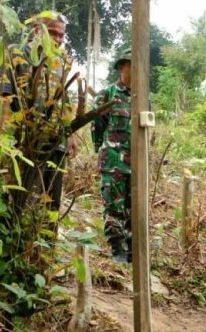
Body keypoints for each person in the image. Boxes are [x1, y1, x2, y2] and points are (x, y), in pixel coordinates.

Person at [0, 12, 77, 216]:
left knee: (51, 202)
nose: (58, 39)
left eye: (61, 35)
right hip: (25, 141)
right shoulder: (16, 53)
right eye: (52, 33)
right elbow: (4, 97)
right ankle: (19, 244)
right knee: (19, 200)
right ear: (37, 31)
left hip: (55, 142)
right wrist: (4, 137)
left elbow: (64, 100)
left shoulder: (62, 62)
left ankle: (45, 247)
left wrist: (70, 135)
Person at [92, 48, 132, 264]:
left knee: (134, 207)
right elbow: (97, 125)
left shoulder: (142, 98)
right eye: (131, 65)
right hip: (113, 161)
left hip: (136, 164)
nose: (135, 70)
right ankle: (117, 249)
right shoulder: (108, 94)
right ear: (121, 67)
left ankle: (134, 248)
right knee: (113, 205)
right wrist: (103, 149)